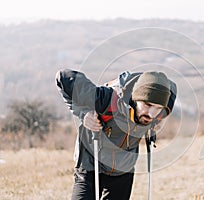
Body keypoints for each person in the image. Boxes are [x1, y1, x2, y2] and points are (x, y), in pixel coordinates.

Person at [55, 69, 176, 200]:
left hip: (123, 169)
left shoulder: (164, 104)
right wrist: (82, 113)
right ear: (136, 98)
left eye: (158, 108)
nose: (151, 114)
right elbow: (63, 77)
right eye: (147, 105)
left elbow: (172, 87)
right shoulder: (106, 100)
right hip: (91, 163)